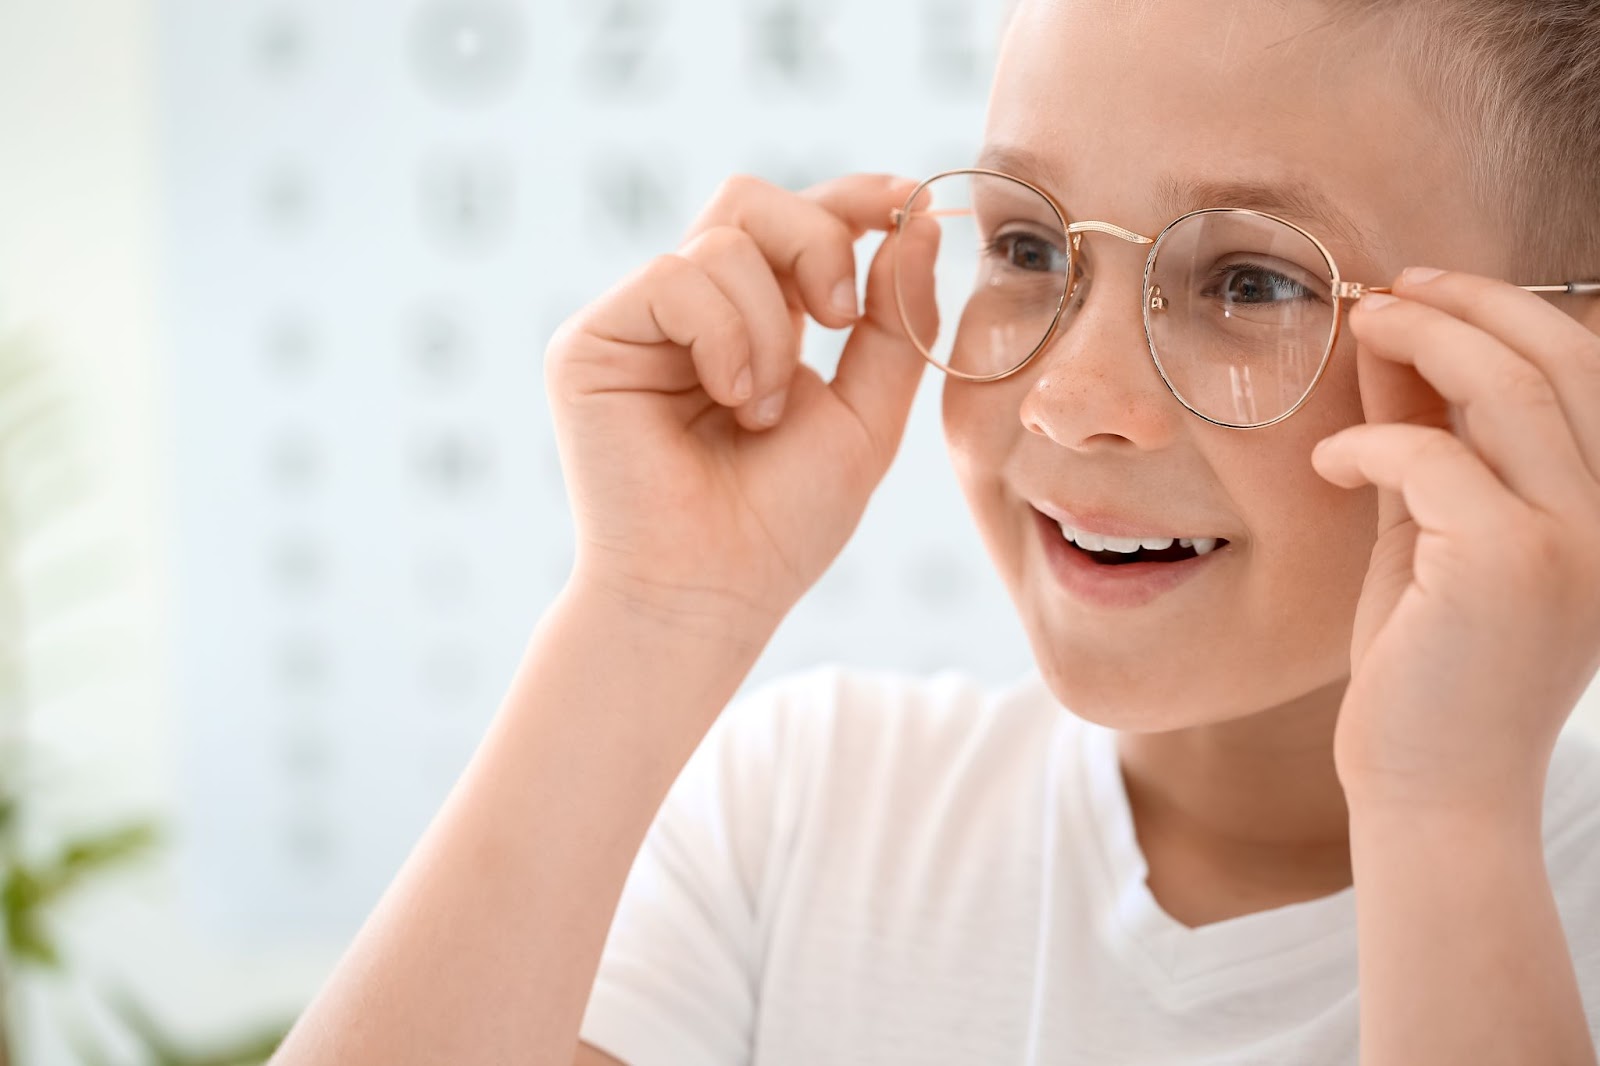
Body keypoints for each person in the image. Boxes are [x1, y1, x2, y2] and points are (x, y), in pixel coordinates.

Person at [269, 0, 1600, 1063]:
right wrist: (649, 609)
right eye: (1028, 248)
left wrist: (1449, 818)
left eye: (1249, 280)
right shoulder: (807, 812)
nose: (1072, 398)